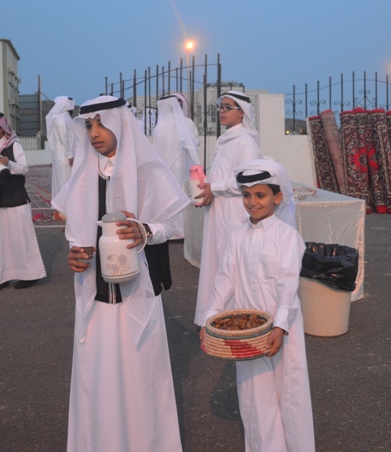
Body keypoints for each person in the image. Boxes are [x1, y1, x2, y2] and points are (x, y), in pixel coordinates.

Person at [51, 96, 189, 452]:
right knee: (96, 377)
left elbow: (172, 223)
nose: (94, 133)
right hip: (93, 293)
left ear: (120, 122)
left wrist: (145, 229)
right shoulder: (83, 173)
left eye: (100, 123)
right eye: (88, 126)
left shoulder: (145, 169)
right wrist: (74, 256)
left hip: (136, 289)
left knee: (139, 375)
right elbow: (74, 230)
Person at [200, 158, 313, 452]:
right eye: (246, 195)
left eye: (260, 195)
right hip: (247, 331)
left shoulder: (288, 236)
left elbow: (289, 285)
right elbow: (224, 279)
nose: (252, 202)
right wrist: (210, 319)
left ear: (277, 198)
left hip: (282, 328)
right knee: (254, 394)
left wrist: (280, 325)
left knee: (288, 393)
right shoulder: (237, 235)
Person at [193, 90, 262, 326]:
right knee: (216, 261)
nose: (221, 112)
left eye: (227, 108)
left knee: (231, 263)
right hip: (218, 210)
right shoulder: (227, 140)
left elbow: (249, 180)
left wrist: (217, 187)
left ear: (241, 112)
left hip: (234, 212)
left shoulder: (245, 142)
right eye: (220, 107)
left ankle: (235, 318)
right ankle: (215, 315)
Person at [0, 112, 46, 292]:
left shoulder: (14, 146)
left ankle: (30, 275)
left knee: (20, 238)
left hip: (16, 199)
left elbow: (24, 169)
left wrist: (9, 164)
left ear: (2, 128)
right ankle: (0, 277)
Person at [153, 94, 200, 239]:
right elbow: (195, 143)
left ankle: (170, 229)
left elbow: (154, 148)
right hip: (182, 166)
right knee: (183, 195)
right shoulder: (187, 123)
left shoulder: (159, 125)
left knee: (169, 197)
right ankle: (182, 230)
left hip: (165, 167)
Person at [45, 96, 77, 221]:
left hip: (67, 155)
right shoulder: (61, 119)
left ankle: (68, 209)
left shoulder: (66, 118)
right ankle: (63, 210)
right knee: (64, 182)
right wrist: (70, 155)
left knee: (69, 181)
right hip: (64, 156)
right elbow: (64, 139)